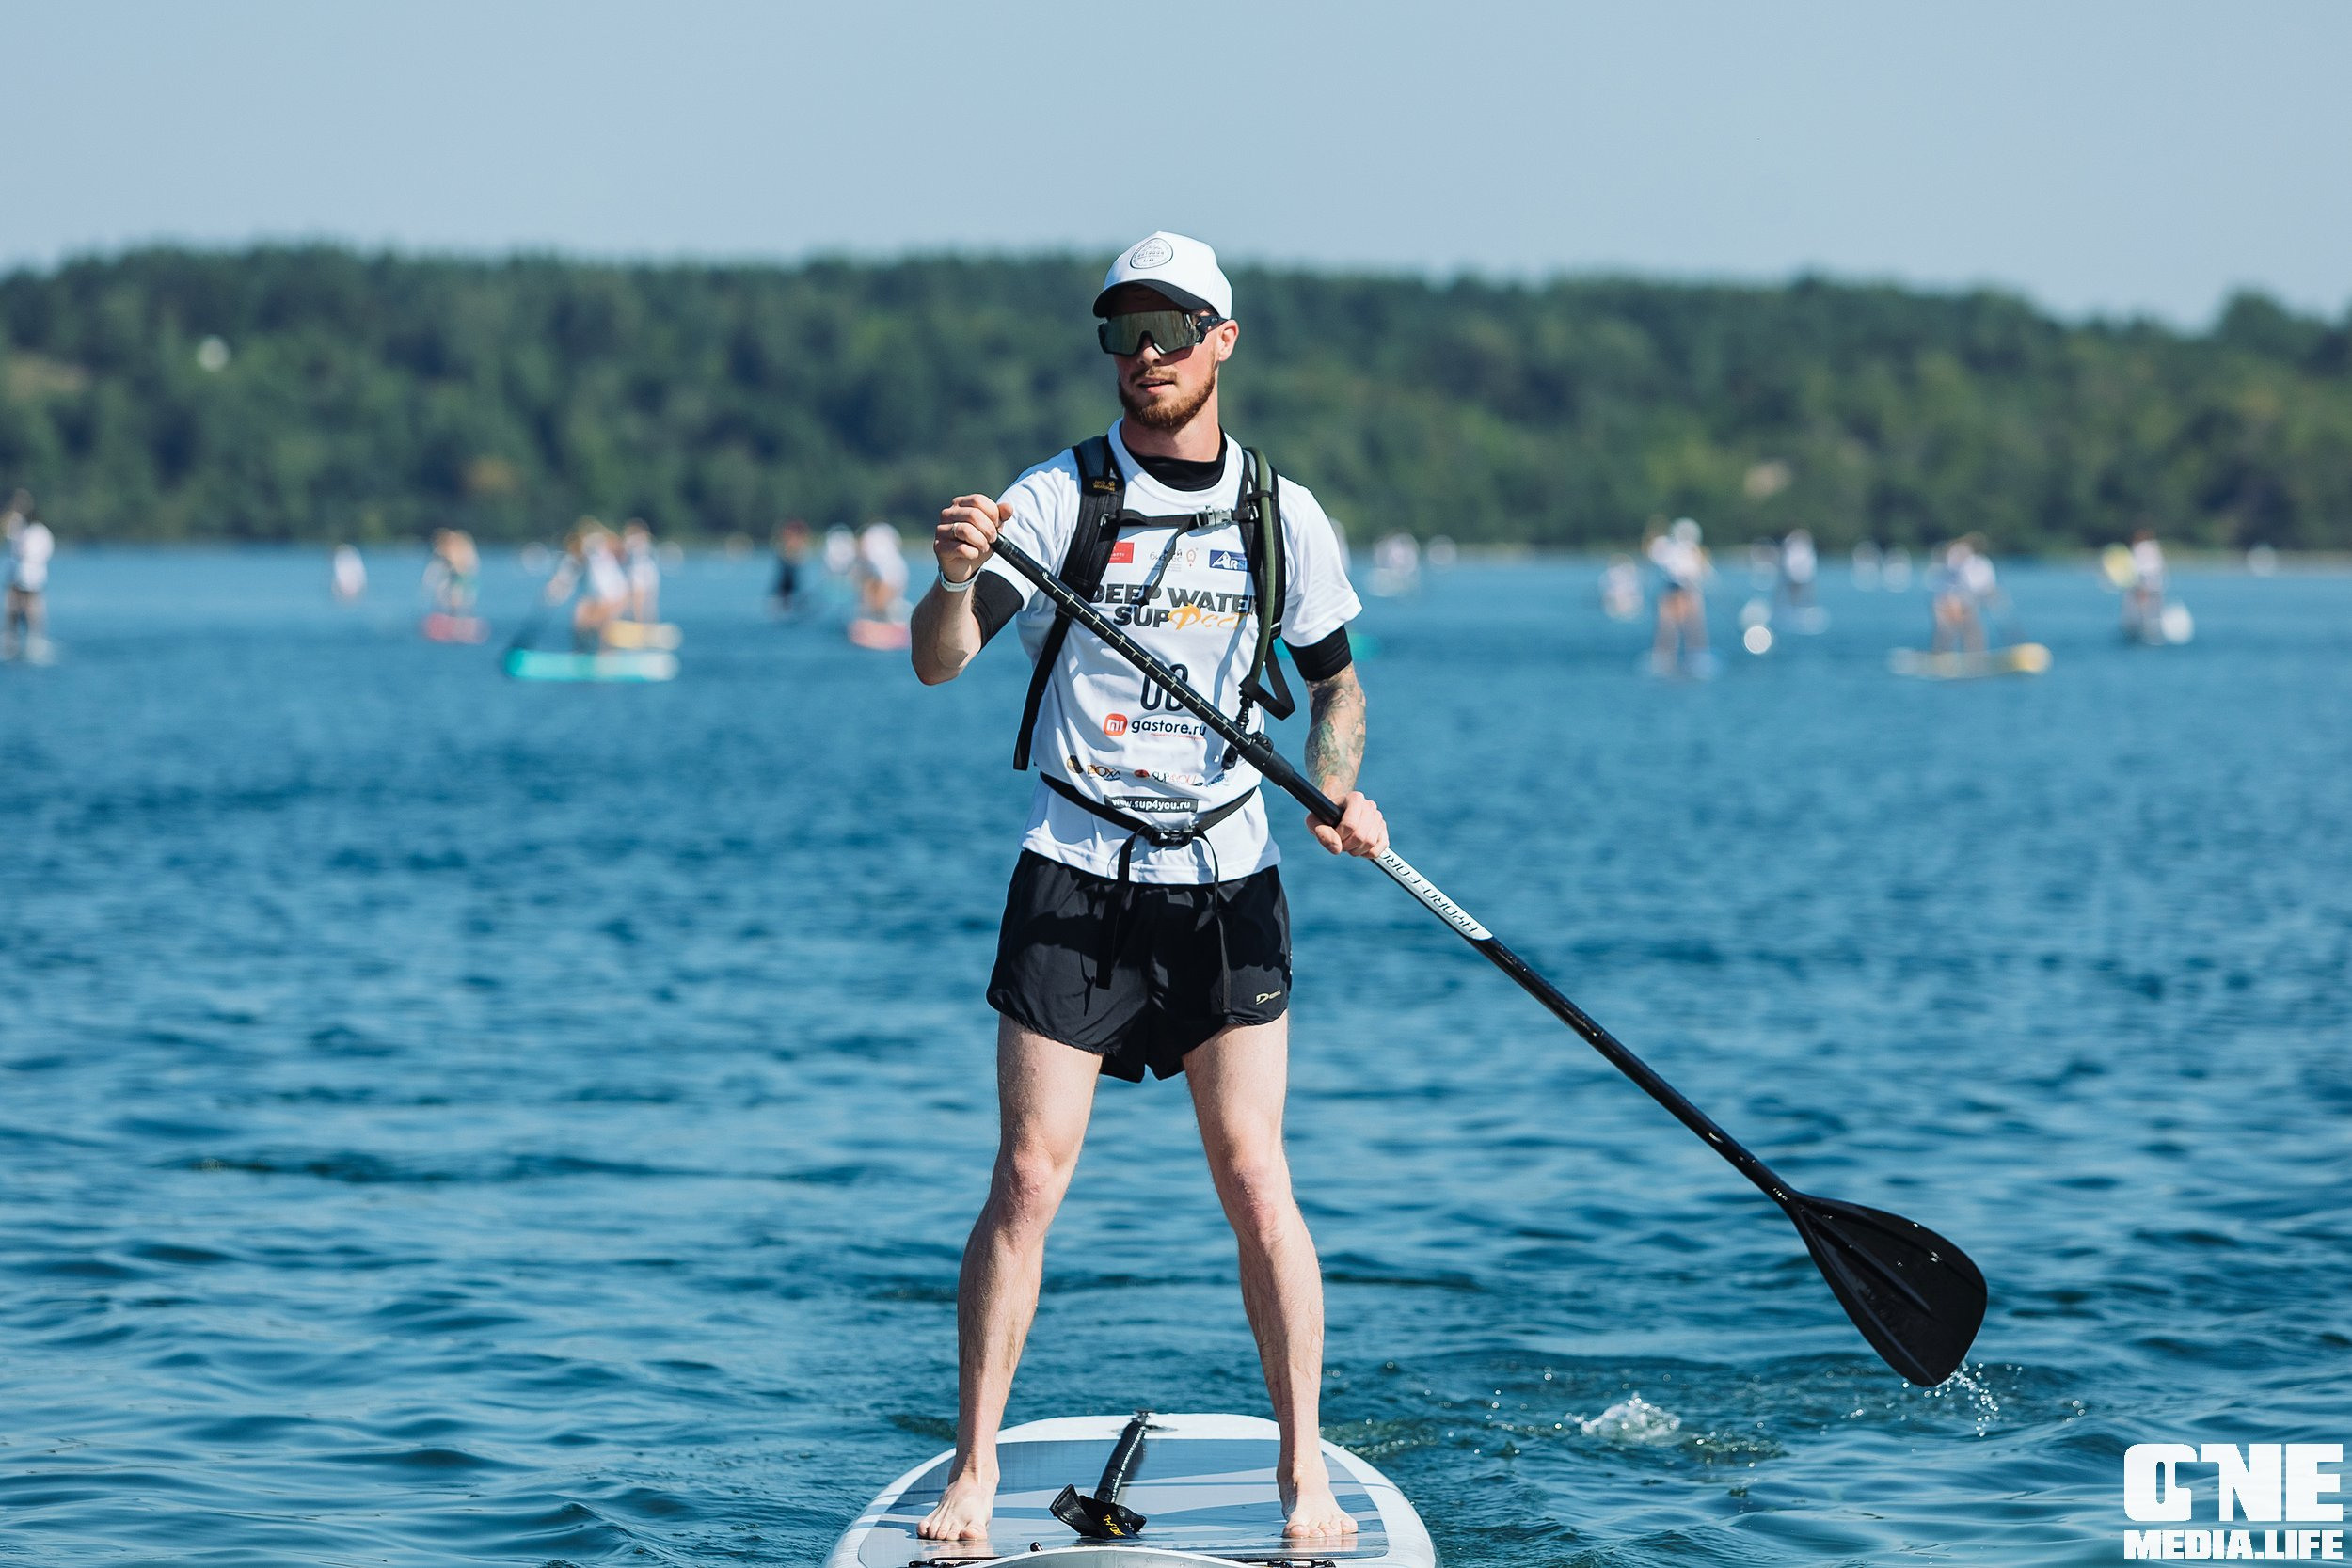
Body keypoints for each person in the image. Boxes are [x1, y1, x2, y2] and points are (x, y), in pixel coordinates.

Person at [908, 231, 1383, 1544]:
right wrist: (952, 581)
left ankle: (1306, 1479)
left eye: (1173, 330)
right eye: (1124, 333)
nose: (1148, 356)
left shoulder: (1282, 515)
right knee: (1026, 1177)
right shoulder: (1057, 500)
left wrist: (1338, 779)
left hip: (1228, 880)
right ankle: (973, 1470)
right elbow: (938, 662)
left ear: (1223, 340)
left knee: (1254, 1174)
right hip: (1074, 873)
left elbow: (1335, 685)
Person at [543, 517, 630, 648]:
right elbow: (565, 580)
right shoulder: (577, 558)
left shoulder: (595, 544)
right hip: (596, 597)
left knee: (601, 624)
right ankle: (581, 652)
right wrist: (552, 594)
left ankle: (605, 655)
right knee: (579, 617)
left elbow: (618, 548)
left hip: (615, 594)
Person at [1645, 517, 1711, 674]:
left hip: (1689, 592)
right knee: (1666, 627)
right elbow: (1660, 563)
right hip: (1672, 591)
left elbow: (1703, 574)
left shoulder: (1697, 553)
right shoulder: (1668, 549)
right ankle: (1664, 655)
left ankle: (1696, 655)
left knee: (1694, 627)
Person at [4, 492, 55, 661]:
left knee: (33, 607)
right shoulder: (17, 529)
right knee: (13, 606)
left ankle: (35, 638)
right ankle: (12, 637)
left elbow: (41, 553)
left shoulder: (40, 532)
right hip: (16, 575)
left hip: (33, 575)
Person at [422, 528, 480, 614]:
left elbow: (463, 568)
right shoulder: (447, 550)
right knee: (446, 597)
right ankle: (450, 616)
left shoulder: (461, 549)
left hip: (460, 578)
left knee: (455, 598)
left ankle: (455, 617)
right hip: (455, 578)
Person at [2123, 530, 2167, 641]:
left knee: (2140, 607)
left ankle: (2143, 626)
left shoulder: (2139, 549)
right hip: (2155, 584)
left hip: (2143, 583)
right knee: (2154, 609)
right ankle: (2152, 625)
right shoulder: (2154, 547)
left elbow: (2137, 569)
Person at [621, 518, 661, 624]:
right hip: (641, 573)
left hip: (642, 574)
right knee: (637, 600)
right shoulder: (643, 542)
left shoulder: (640, 541)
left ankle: (641, 623)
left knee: (641, 600)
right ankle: (639, 622)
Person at [769, 518, 812, 617]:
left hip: (791, 573)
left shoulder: (795, 543)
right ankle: (785, 605)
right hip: (786, 573)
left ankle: (791, 605)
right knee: (785, 587)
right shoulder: (785, 544)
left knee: (791, 587)